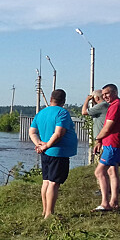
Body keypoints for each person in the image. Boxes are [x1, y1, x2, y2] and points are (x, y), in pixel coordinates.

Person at [29, 89, 78, 219]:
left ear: (51, 99)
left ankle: (45, 211)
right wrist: (46, 145)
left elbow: (32, 132)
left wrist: (39, 144)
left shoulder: (41, 113)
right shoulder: (62, 112)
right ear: (64, 101)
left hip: (45, 153)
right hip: (57, 153)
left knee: (46, 181)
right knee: (53, 183)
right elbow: (59, 133)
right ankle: (49, 214)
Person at [91, 84, 120, 212]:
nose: (105, 96)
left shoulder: (116, 106)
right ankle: (114, 201)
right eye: (103, 94)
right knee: (112, 172)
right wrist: (101, 141)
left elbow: (107, 127)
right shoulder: (119, 105)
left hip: (113, 143)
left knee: (99, 172)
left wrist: (98, 139)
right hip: (113, 142)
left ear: (115, 92)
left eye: (107, 93)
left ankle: (105, 202)